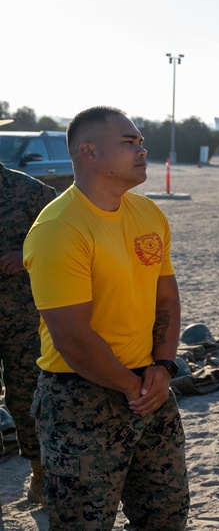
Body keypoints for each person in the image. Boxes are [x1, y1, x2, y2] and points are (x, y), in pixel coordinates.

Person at [22, 106, 189, 529]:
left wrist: (163, 368)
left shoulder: (148, 214)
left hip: (150, 386)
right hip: (80, 399)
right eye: (129, 142)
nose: (142, 150)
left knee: (166, 517)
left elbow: (166, 297)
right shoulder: (60, 228)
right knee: (84, 523)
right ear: (88, 152)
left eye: (141, 142)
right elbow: (73, 337)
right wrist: (136, 387)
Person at [0, 157, 56, 504]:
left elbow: (64, 237)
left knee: (26, 398)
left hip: (22, 318)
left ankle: (40, 472)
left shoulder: (32, 192)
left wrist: (24, 254)